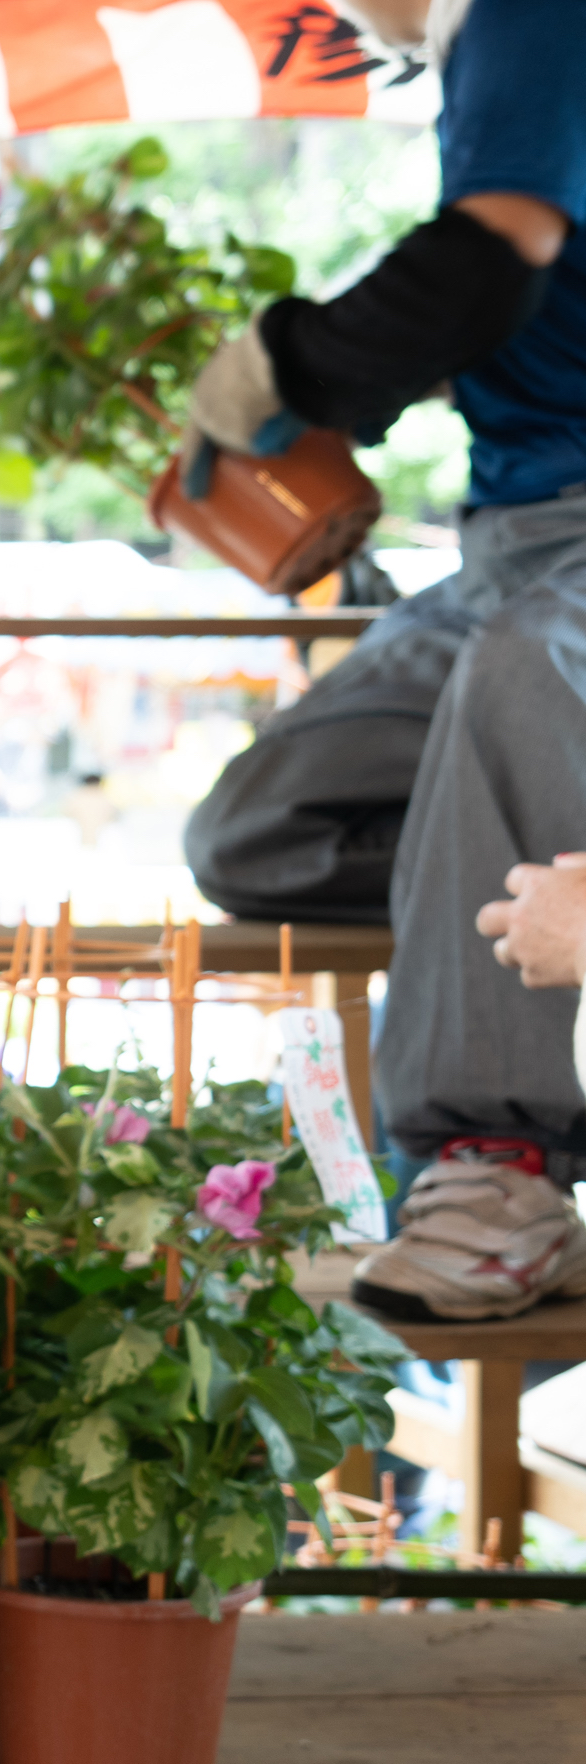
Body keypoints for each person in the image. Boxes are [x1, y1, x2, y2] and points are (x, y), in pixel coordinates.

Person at [179, 0, 586, 1320]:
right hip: (509, 545)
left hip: (568, 569)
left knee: (521, 672)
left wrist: (292, 362)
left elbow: (488, 259)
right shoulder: (484, 49)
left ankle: (498, 1169)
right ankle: (510, 885)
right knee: (260, 831)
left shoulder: (536, 11)